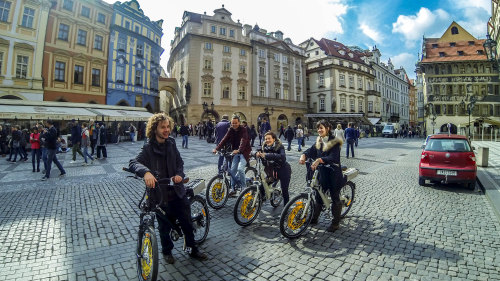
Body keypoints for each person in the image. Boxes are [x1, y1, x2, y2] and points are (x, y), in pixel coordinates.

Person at [128, 113, 207, 264]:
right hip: (159, 195)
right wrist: (146, 172)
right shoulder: (148, 148)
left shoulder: (171, 143)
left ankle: (193, 248)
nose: (166, 130)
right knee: (163, 227)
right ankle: (167, 251)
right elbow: (133, 162)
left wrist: (179, 174)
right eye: (162, 127)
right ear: (154, 129)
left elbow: (179, 162)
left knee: (186, 223)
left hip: (176, 190)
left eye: (168, 126)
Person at [299, 120, 344, 232]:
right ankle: (314, 218)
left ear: (327, 128)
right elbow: (311, 150)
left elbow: (334, 157)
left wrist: (320, 159)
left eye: (321, 128)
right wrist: (304, 155)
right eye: (318, 128)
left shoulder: (335, 141)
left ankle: (335, 223)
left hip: (333, 172)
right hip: (322, 172)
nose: (319, 130)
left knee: (335, 198)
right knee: (318, 195)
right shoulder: (319, 140)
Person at [213, 116, 251, 196]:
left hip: (244, 152)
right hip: (235, 152)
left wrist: (239, 150)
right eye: (233, 123)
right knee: (232, 171)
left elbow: (243, 141)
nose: (234, 124)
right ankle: (233, 188)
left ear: (239, 123)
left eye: (236, 123)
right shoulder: (230, 130)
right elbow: (224, 139)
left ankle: (243, 187)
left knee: (240, 169)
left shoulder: (243, 130)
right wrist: (217, 149)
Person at [256, 131, 291, 205]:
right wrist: (257, 153)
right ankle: (261, 200)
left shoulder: (280, 146)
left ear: (274, 139)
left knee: (284, 190)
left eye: (269, 138)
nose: (267, 140)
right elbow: (259, 153)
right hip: (272, 171)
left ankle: (286, 207)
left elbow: (282, 157)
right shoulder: (264, 147)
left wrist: (268, 155)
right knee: (262, 186)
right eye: (266, 139)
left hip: (284, 170)